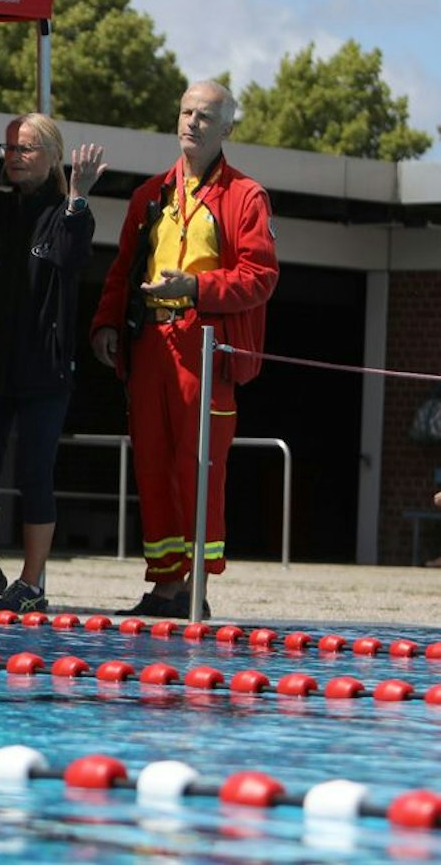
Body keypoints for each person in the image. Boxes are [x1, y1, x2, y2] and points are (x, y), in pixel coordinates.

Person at [91, 81, 276, 619]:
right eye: (186, 112)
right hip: (150, 344)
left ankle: (196, 588)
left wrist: (195, 288)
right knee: (152, 465)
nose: (192, 122)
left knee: (199, 468)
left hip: (206, 347)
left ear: (227, 129)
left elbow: (260, 276)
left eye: (205, 116)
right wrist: (105, 324)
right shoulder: (150, 194)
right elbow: (122, 270)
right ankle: (164, 585)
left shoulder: (246, 196)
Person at [0, 116, 105, 613]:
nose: (14, 156)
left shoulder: (65, 213)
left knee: (35, 474)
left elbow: (72, 257)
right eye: (9, 148)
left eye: (25, 149)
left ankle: (31, 584)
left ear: (52, 156)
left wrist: (79, 196)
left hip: (43, 369)